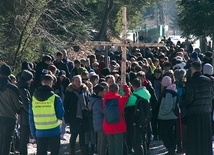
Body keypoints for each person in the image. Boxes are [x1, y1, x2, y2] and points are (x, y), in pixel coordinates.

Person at [29, 74, 64, 155]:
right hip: (54, 130)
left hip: (40, 131)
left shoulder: (33, 98)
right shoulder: (55, 98)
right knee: (55, 152)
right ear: (52, 83)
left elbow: (31, 117)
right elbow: (60, 114)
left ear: (42, 82)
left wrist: (33, 133)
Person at [183, 61, 213, 155]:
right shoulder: (209, 81)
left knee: (194, 139)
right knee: (205, 138)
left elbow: (189, 99)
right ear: (201, 69)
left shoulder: (191, 82)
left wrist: (183, 105)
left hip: (194, 114)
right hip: (206, 112)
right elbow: (212, 96)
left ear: (192, 69)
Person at [64, 75, 90, 155]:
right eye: (76, 81)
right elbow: (66, 106)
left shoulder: (85, 90)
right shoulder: (69, 92)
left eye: (79, 80)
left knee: (82, 135)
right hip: (73, 116)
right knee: (74, 134)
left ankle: (83, 151)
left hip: (84, 116)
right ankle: (72, 150)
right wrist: (67, 119)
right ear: (72, 82)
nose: (78, 82)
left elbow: (88, 100)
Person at [0, 63, 22, 155]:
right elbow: (17, 104)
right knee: (7, 140)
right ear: (9, 74)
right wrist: (19, 110)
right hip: (9, 117)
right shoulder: (12, 88)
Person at [103, 83, 130, 155]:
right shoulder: (120, 99)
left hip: (108, 125)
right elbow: (127, 95)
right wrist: (126, 87)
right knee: (118, 147)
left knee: (111, 146)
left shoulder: (105, 99)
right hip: (119, 125)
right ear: (117, 90)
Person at [125, 78, 151, 155]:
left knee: (137, 142)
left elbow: (125, 104)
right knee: (143, 140)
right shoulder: (146, 93)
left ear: (132, 86)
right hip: (145, 120)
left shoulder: (134, 96)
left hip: (136, 121)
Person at [158, 76, 177, 155]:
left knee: (163, 134)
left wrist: (160, 113)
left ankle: (170, 149)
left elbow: (168, 107)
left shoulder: (168, 93)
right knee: (169, 134)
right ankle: (172, 149)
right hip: (171, 117)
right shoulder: (172, 90)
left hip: (166, 117)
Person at [17, 70, 34, 155]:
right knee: (24, 138)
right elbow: (26, 104)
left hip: (22, 116)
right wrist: (31, 113)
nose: (32, 80)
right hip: (25, 117)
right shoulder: (23, 89)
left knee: (23, 137)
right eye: (31, 78)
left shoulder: (20, 87)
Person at [89, 84, 107, 155]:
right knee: (102, 142)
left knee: (100, 141)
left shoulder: (93, 99)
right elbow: (104, 111)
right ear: (100, 92)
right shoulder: (98, 101)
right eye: (103, 91)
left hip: (97, 124)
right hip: (101, 124)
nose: (105, 92)